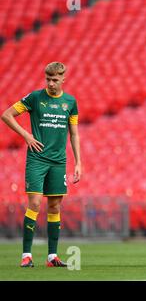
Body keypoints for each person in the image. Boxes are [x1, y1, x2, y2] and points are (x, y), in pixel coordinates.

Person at [1, 62, 82, 268]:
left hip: (58, 161)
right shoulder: (35, 98)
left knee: (55, 205)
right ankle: (26, 255)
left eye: (55, 80)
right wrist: (26, 135)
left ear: (64, 79)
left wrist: (78, 162)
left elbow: (74, 134)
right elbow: (6, 115)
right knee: (35, 203)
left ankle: (52, 257)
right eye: (48, 79)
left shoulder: (70, 102)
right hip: (37, 159)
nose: (51, 83)